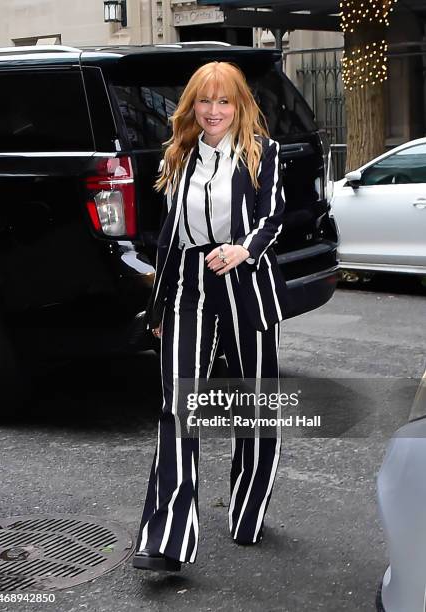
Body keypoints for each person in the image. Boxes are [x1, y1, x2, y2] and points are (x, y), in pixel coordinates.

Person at [133, 60, 287, 572]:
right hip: (190, 286)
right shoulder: (177, 156)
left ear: (239, 104)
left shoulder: (265, 153)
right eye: (204, 101)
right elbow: (168, 238)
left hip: (245, 278)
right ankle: (169, 538)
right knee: (178, 406)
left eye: (223, 101)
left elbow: (272, 217)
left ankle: (247, 512)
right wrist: (158, 306)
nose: (213, 110)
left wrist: (243, 249)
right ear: (191, 107)